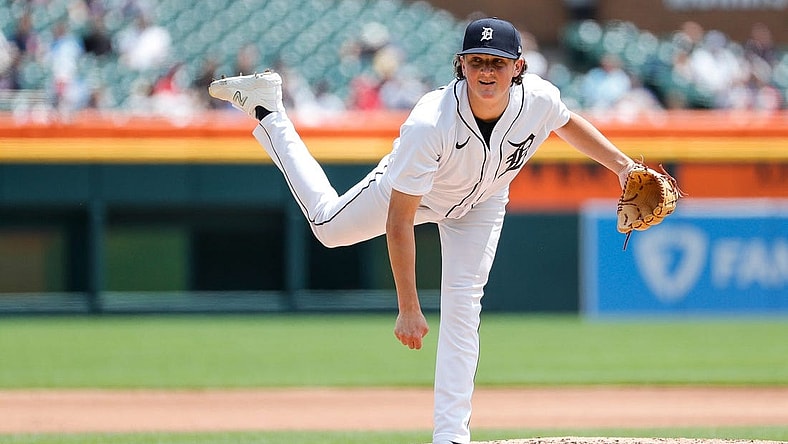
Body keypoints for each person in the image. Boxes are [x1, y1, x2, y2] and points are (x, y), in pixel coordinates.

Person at [209, 17, 637, 444]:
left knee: (464, 307)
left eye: (498, 63)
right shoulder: (430, 123)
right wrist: (409, 306)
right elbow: (399, 221)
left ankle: (450, 436)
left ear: (518, 67)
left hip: (482, 203)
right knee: (327, 228)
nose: (487, 72)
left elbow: (566, 121)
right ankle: (269, 111)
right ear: (461, 65)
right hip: (414, 195)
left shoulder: (539, 99)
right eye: (477, 62)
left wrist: (624, 167)